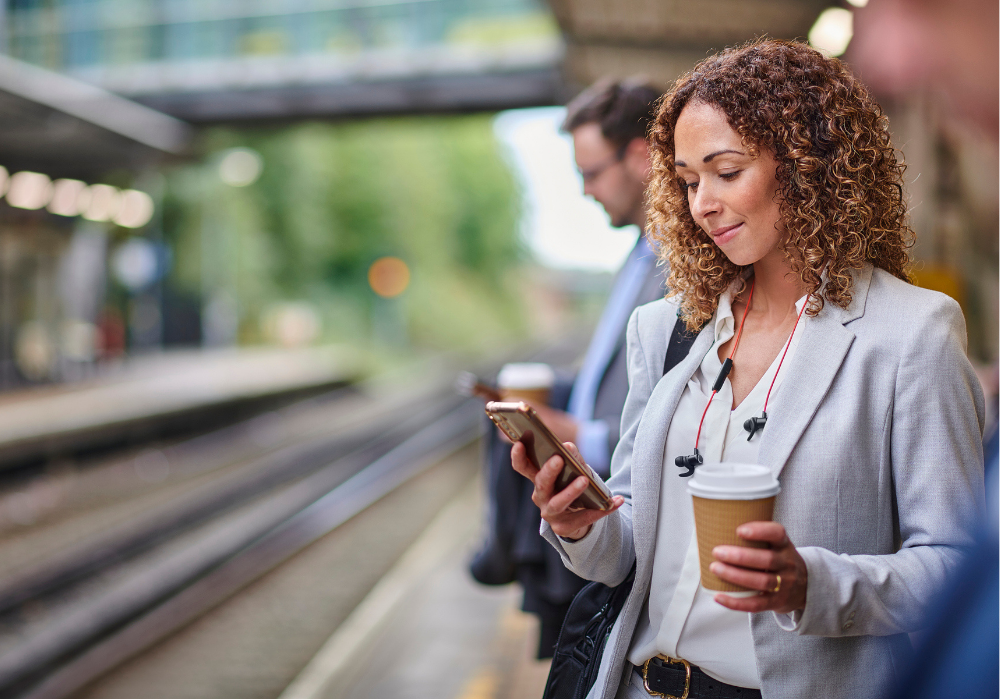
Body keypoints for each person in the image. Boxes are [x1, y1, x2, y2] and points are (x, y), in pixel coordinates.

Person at [512, 39, 985, 699]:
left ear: (807, 165)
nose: (702, 202)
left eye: (725, 171)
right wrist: (580, 522)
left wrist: (810, 585)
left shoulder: (911, 334)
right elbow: (625, 551)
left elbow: (959, 572)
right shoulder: (667, 328)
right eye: (685, 179)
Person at [470, 79, 665, 658]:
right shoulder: (638, 254)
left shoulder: (680, 264)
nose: (584, 191)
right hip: (596, 510)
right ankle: (504, 547)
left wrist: (584, 433)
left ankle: (502, 550)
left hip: (620, 503)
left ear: (640, 156)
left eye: (593, 172)